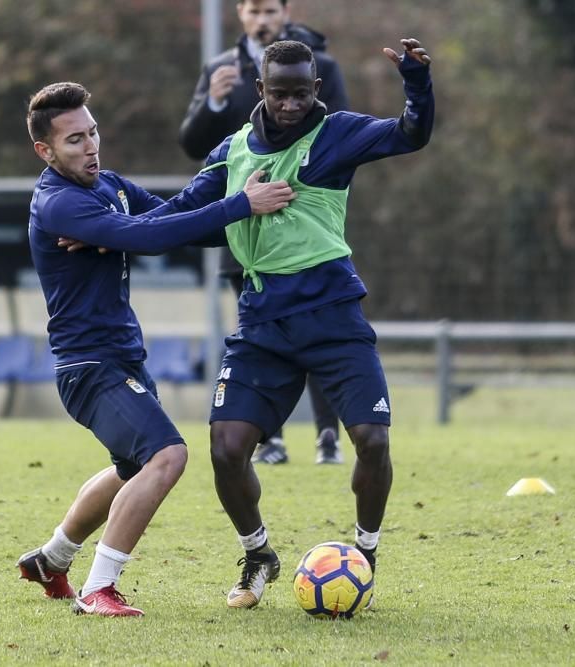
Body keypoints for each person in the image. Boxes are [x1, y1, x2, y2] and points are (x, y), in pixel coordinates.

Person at [167, 37, 434, 608]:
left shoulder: (337, 133)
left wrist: (416, 82)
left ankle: (364, 552)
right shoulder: (232, 150)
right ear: (260, 91)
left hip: (334, 318)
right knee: (225, 448)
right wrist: (106, 227)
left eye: (300, 93)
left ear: (316, 89)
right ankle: (258, 553)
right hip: (262, 325)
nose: (290, 104)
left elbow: (411, 133)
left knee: (372, 440)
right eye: (279, 94)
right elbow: (179, 213)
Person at [16, 81, 294, 617]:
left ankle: (52, 559)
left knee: (130, 467)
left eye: (93, 133)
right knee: (168, 456)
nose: (91, 146)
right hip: (88, 365)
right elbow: (150, 238)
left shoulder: (109, 185)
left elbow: (171, 221)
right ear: (44, 151)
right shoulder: (57, 203)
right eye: (74, 140)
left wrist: (237, 200)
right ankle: (99, 589)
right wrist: (238, 204)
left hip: (121, 356)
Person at [179, 0, 349, 466]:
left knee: (318, 330)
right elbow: (193, 143)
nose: (261, 18)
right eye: (252, 9)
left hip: (304, 224)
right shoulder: (220, 69)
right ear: (240, 13)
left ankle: (327, 436)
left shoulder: (323, 65)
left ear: (285, 11)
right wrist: (212, 102)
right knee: (260, 331)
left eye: (269, 8)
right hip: (247, 225)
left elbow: (343, 136)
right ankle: (269, 437)